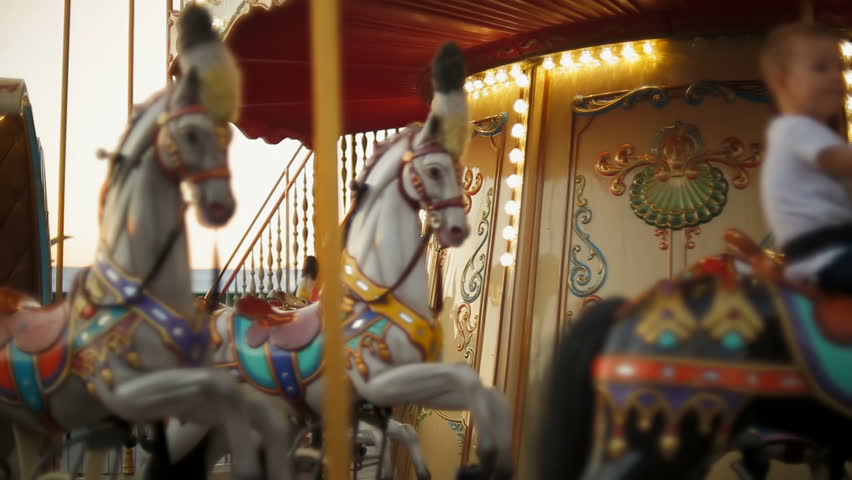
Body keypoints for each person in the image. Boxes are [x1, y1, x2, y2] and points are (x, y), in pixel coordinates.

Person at [759, 23, 852, 293]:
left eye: (841, 67)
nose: (837, 77)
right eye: (822, 68)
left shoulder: (806, 131)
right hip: (826, 257)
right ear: (783, 82)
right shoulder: (796, 128)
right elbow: (841, 162)